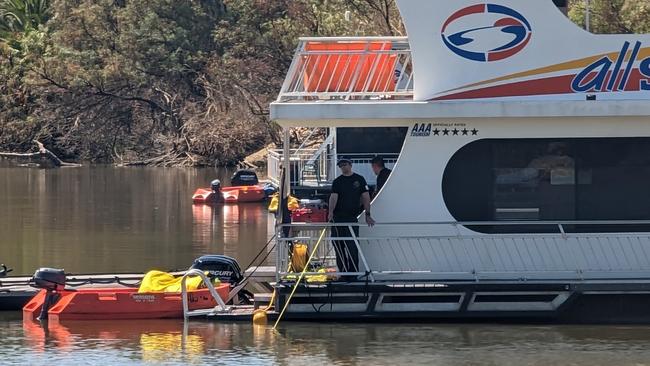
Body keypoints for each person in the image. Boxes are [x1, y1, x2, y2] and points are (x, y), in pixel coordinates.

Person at [328, 157, 375, 279]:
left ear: (350, 165)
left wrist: (368, 214)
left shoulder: (359, 179)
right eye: (341, 166)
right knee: (339, 246)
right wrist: (330, 212)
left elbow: (365, 197)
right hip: (338, 218)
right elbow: (333, 197)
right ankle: (343, 273)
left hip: (351, 218)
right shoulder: (337, 181)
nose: (343, 167)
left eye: (345, 164)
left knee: (352, 246)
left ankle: (353, 273)